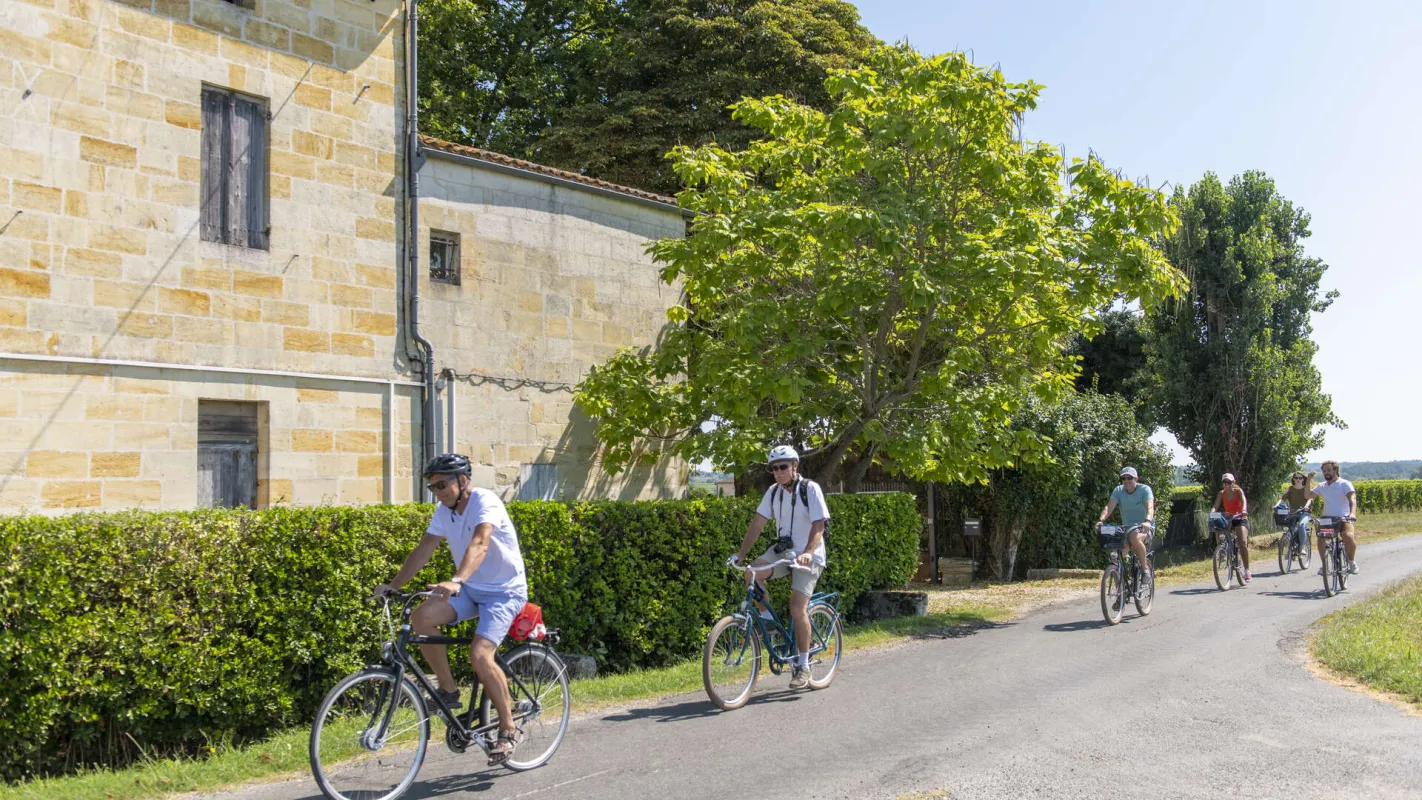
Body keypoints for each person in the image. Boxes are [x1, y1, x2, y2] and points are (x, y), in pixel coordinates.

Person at [374, 454, 527, 765]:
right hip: (471, 589)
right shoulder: (444, 511)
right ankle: (448, 689)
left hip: (503, 592)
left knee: (479, 655)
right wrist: (393, 585)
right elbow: (424, 550)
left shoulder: (486, 501)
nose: (437, 491)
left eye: (442, 484)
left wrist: (457, 580)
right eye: (432, 486)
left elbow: (480, 543)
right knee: (422, 617)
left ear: (463, 481)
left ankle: (509, 729)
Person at [729, 445, 829, 690]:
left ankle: (803, 666)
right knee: (752, 573)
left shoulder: (810, 489)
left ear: (795, 466)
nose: (778, 471)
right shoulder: (774, 492)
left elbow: (819, 525)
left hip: (809, 556)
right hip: (783, 552)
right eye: (774, 468)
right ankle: (769, 623)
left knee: (797, 609)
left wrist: (807, 552)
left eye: (783, 466)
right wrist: (741, 555)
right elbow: (758, 524)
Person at [1097, 466, 1156, 588]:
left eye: (1130, 478)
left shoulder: (1144, 490)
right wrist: (1101, 520)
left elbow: (1150, 507)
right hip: (1127, 528)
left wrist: (1148, 521)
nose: (1126, 480)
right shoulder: (1118, 490)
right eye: (1123, 478)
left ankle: (1145, 570)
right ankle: (1121, 591)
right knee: (1116, 548)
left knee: (1134, 537)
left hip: (1144, 526)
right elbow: (1109, 507)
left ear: (1136, 479)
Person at [1309, 460, 1359, 575]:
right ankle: (1325, 565)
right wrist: (1308, 480)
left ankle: (1351, 562)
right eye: (1324, 471)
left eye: (1328, 470)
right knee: (1321, 537)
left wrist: (1352, 513)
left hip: (1344, 518)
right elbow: (1308, 495)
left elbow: (1352, 499)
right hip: (1328, 519)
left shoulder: (1344, 484)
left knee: (1348, 536)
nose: (1326, 473)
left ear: (1335, 470)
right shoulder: (1322, 486)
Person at [1212, 473, 1252, 583]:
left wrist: (1244, 510)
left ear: (1233, 482)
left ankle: (1247, 569)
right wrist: (1212, 512)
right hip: (1229, 517)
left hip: (1239, 517)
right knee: (1218, 528)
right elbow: (1216, 505)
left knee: (1242, 542)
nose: (1226, 484)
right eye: (1224, 482)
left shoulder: (1238, 491)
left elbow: (1244, 501)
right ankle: (1223, 552)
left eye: (1229, 482)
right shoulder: (1221, 493)